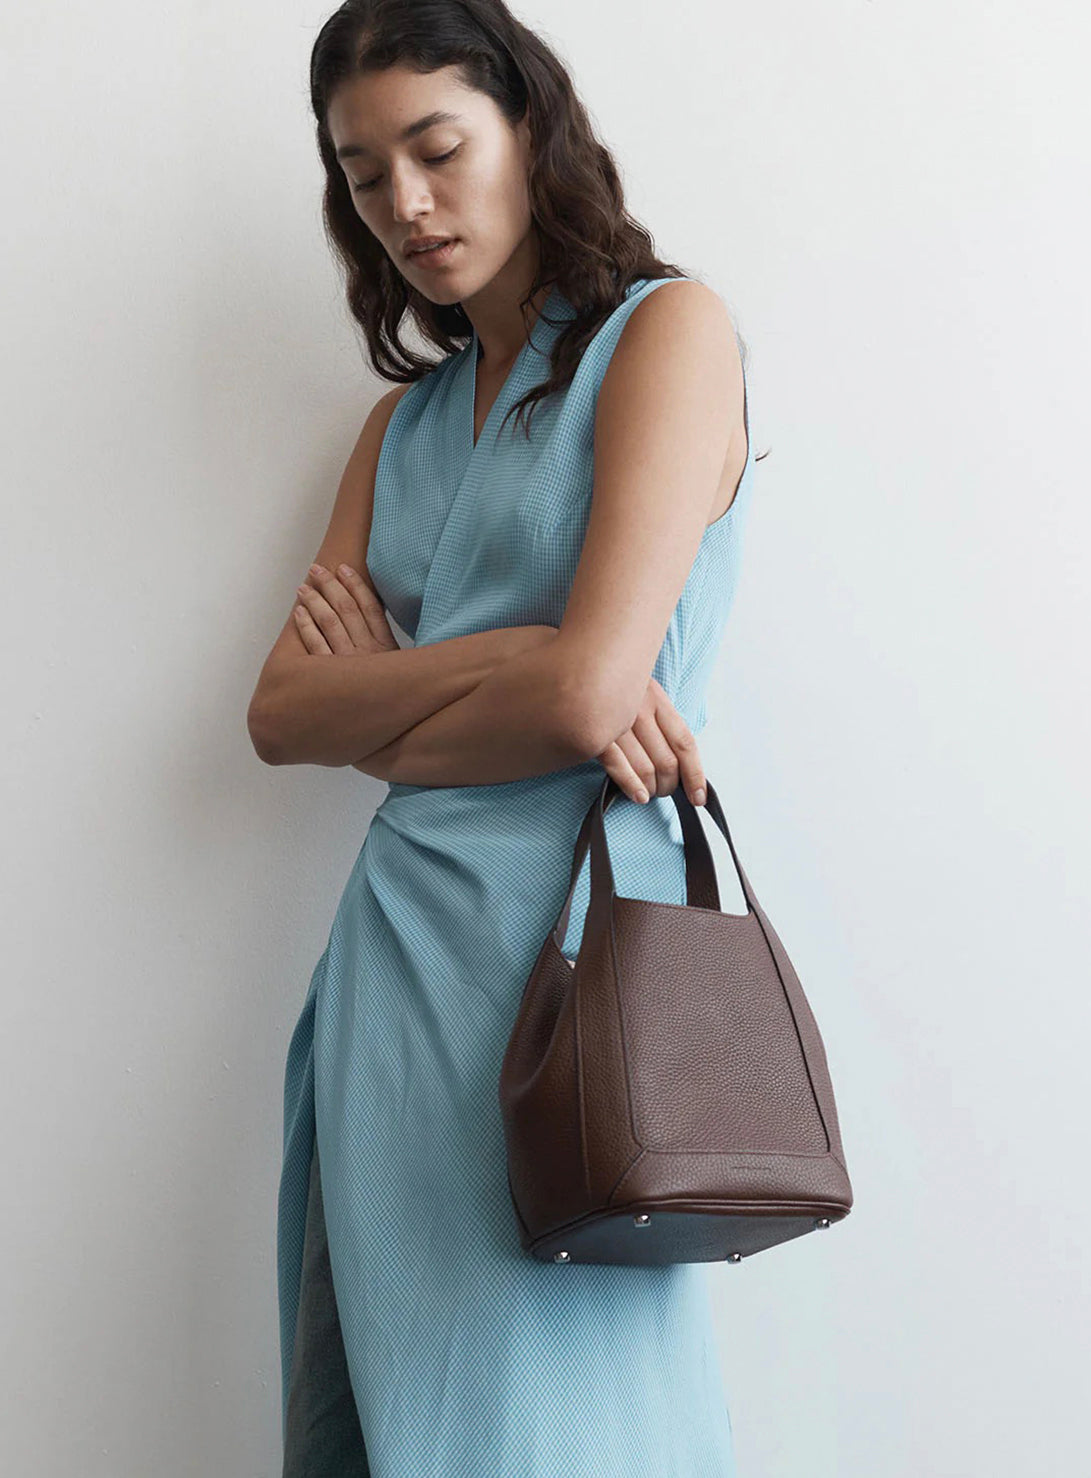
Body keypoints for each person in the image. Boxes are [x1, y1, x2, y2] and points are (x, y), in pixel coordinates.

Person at [247, 1, 757, 1473]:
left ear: (530, 127)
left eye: (437, 149)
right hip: (397, 968)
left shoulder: (668, 333)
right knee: (367, 1408)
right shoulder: (398, 428)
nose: (404, 204)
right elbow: (279, 715)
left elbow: (593, 702)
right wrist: (524, 654)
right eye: (362, 176)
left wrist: (413, 702)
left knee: (564, 1419)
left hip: (580, 971)